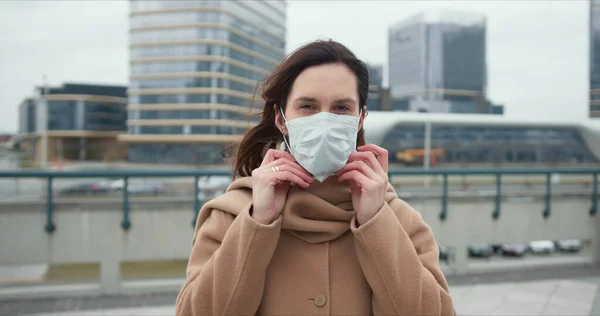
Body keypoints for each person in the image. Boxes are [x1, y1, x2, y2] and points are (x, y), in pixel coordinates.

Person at [175, 40, 455, 316]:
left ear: (360, 119)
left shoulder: (400, 221)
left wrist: (376, 222)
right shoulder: (230, 215)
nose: (324, 121)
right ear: (281, 118)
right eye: (308, 106)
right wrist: (257, 224)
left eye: (341, 108)